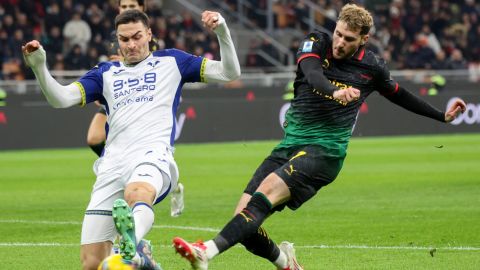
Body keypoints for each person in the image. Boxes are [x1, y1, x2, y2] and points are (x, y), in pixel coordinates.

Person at [171, 4, 466, 270]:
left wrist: (441, 115)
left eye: (349, 39)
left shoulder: (372, 67)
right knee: (244, 223)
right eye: (338, 34)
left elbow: (399, 95)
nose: (339, 43)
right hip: (290, 145)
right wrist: (335, 91)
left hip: (326, 152)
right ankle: (286, 263)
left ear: (364, 39)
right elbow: (312, 74)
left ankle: (205, 251)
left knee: (268, 191)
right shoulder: (316, 42)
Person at [23, 9, 240, 270]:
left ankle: (131, 244)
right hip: (112, 166)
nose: (131, 44)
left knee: (137, 193)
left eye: (137, 37)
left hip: (153, 155)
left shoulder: (172, 62)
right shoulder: (105, 73)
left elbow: (230, 73)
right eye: (124, 40)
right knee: (93, 264)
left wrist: (222, 31)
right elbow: (61, 99)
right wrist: (38, 66)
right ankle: (143, 260)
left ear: (149, 34)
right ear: (117, 40)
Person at [86, 0, 185, 218]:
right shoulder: (114, 40)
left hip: (144, 101)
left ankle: (165, 182)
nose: (127, 8)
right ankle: (118, 167)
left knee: (138, 193)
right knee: (93, 138)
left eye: (132, 4)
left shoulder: (152, 41)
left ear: (143, 9)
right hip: (118, 100)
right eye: (123, 6)